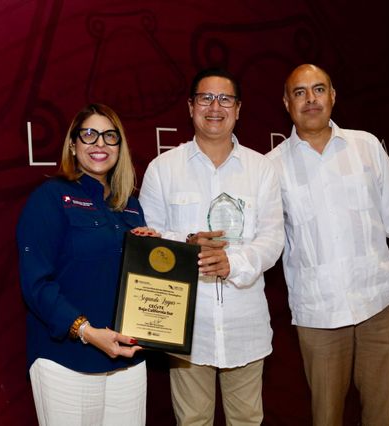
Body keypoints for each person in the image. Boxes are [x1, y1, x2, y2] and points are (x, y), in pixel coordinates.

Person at [267, 64, 389, 426]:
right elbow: (266, 239)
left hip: (379, 303)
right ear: (286, 103)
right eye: (299, 92)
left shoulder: (366, 146)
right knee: (326, 416)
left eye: (318, 89)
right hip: (319, 314)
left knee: (379, 413)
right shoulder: (272, 167)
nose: (310, 99)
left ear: (333, 96)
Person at [138, 68, 284, 425]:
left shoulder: (262, 169)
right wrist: (187, 247)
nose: (215, 107)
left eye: (225, 99)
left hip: (244, 324)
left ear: (238, 109)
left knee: (247, 419)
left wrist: (233, 263)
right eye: (205, 98)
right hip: (188, 325)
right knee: (192, 421)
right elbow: (149, 242)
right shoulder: (162, 169)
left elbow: (272, 238)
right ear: (191, 107)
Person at [17, 103, 159, 425]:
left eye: (110, 136)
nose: (100, 144)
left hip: (127, 361)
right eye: (90, 134)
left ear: (120, 147)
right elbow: (36, 284)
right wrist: (85, 331)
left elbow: (135, 283)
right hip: (66, 361)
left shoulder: (130, 205)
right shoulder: (50, 197)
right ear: (73, 144)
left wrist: (151, 252)